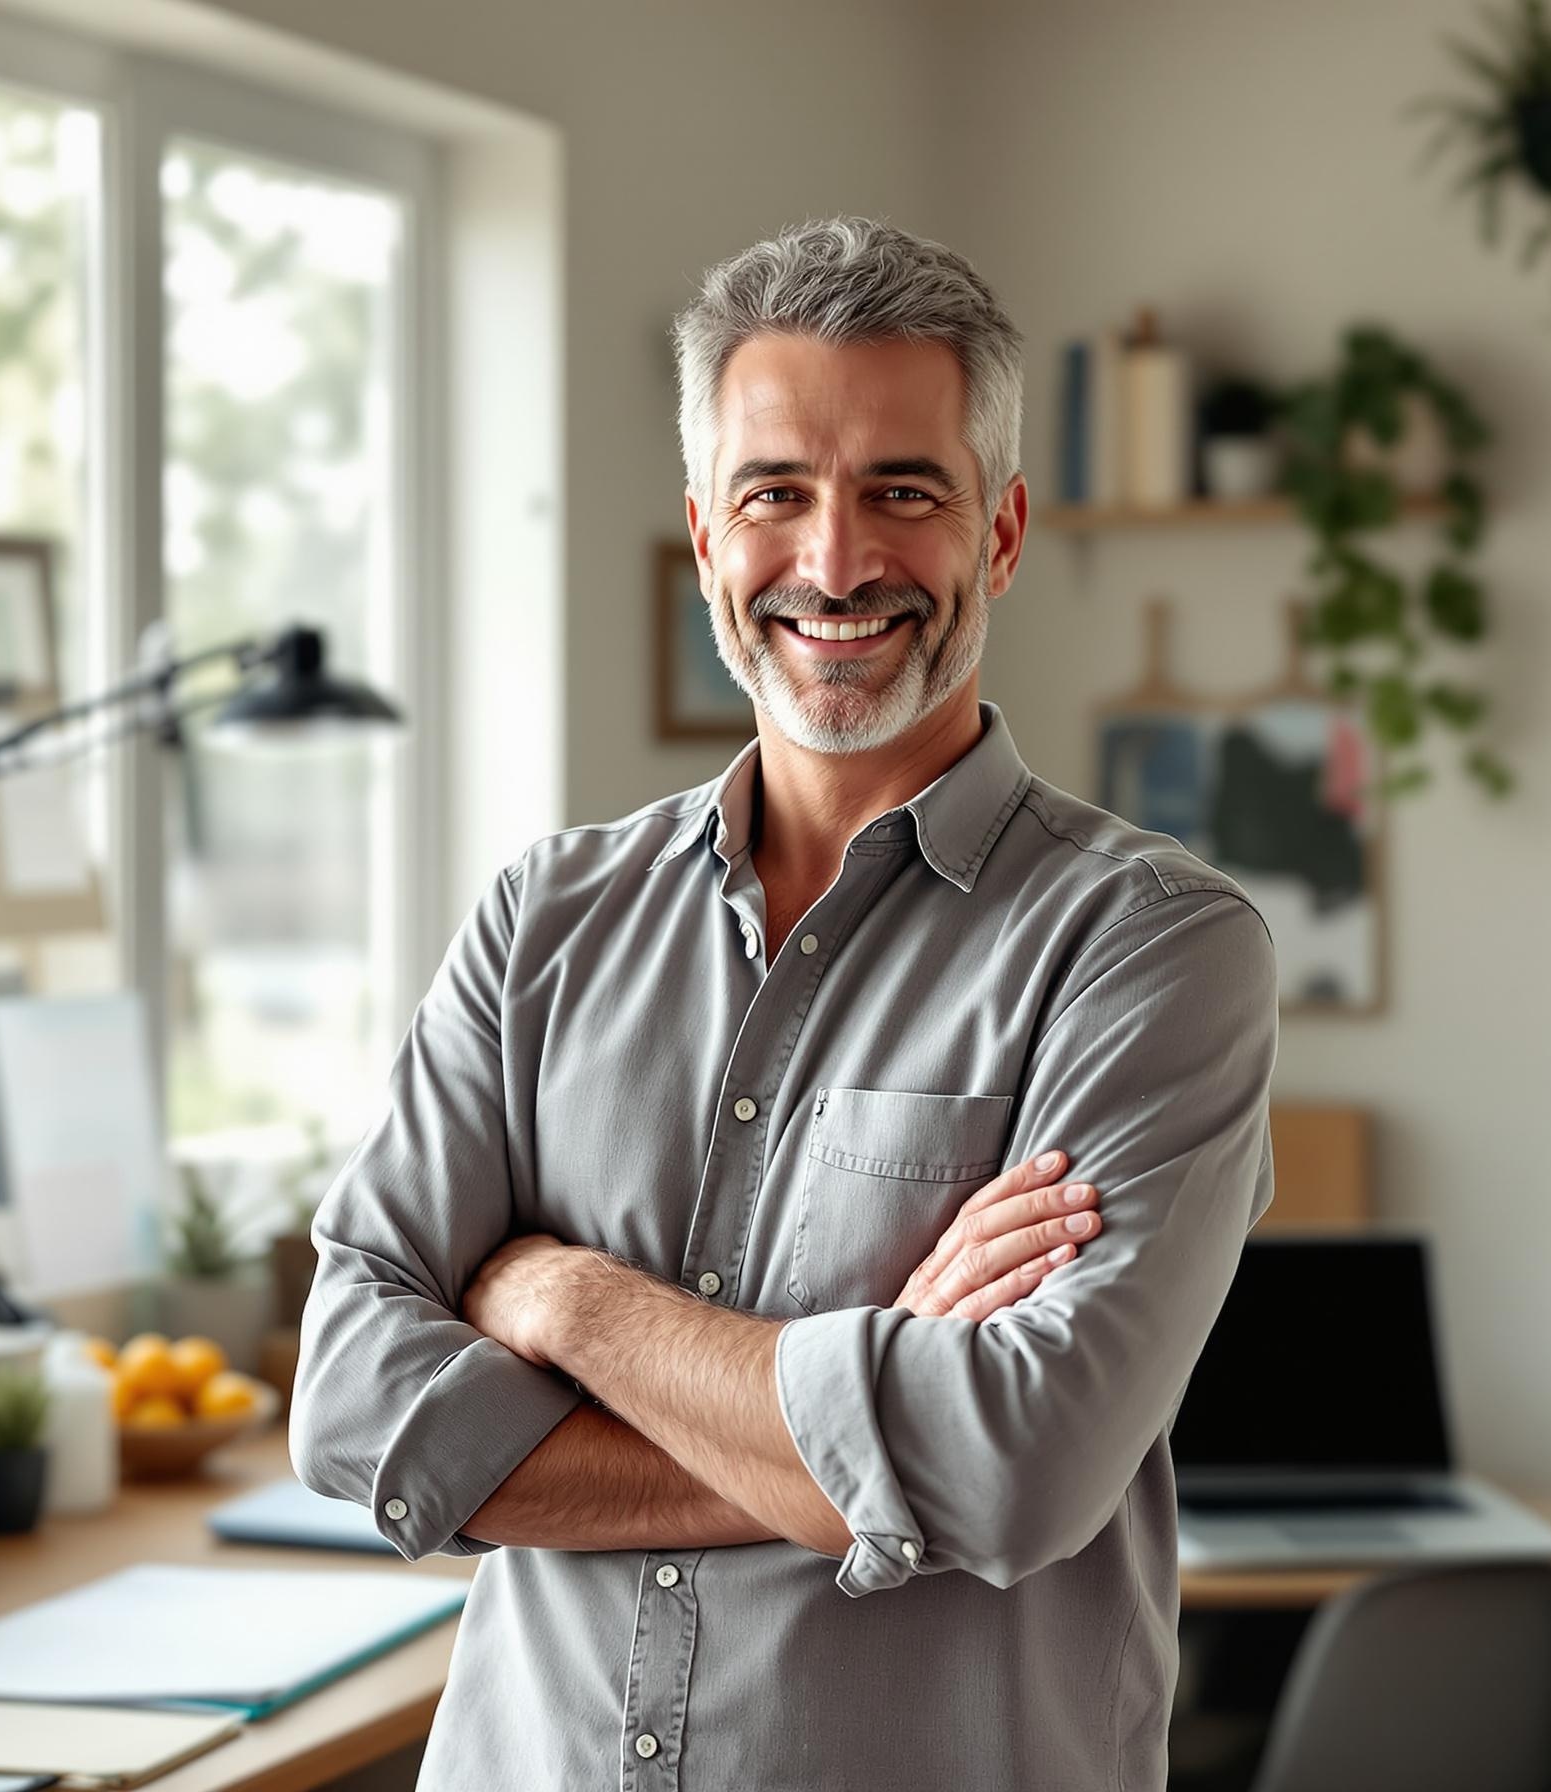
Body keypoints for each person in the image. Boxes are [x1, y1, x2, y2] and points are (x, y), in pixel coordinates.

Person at [292, 215, 1278, 1790]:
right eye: (777, 494)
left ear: (1003, 534)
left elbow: (1019, 1471)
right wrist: (876, 1424)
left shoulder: (1150, 948)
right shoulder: (544, 921)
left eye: (904, 490)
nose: (833, 562)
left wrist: (568, 1305)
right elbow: (355, 1403)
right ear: (705, 536)